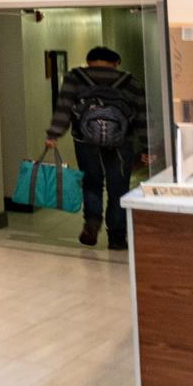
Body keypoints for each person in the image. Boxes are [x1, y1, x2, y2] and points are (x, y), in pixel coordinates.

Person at [45, 46, 149, 250]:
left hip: (85, 141)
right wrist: (147, 147)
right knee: (118, 188)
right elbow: (142, 115)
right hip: (121, 143)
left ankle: (92, 223)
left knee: (91, 183)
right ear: (116, 62)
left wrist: (53, 134)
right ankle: (117, 237)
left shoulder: (75, 77)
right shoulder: (130, 82)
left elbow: (63, 107)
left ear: (89, 60)